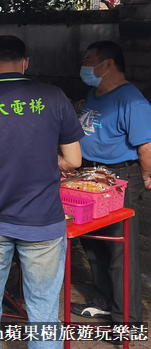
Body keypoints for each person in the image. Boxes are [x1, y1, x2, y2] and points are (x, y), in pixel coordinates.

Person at [0, 35, 83, 349]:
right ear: (25, 63)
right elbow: (74, 160)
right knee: (44, 308)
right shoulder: (53, 96)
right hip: (43, 219)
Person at [72, 41, 150, 324]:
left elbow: (146, 147)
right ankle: (102, 302)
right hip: (89, 177)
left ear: (108, 64)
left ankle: (126, 319)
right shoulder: (94, 93)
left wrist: (145, 178)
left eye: (89, 60)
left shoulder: (133, 101)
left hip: (119, 178)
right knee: (93, 244)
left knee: (120, 248)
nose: (85, 65)